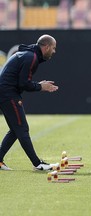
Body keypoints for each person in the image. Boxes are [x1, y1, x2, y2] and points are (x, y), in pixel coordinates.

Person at [0, 34, 59, 171]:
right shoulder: (31, 58)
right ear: (46, 47)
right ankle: (38, 164)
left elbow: (22, 82)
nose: (54, 52)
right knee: (22, 128)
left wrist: (38, 85)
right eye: (53, 48)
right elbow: (23, 84)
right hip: (8, 94)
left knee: (16, 130)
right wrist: (40, 86)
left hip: (5, 93)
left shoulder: (29, 55)